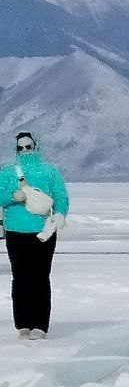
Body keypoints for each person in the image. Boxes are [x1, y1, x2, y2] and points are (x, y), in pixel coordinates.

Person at [0, 131, 69, 338]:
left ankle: (39, 324)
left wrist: (59, 214)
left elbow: (60, 195)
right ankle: (23, 323)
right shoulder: (7, 172)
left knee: (40, 277)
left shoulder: (50, 171)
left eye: (28, 146)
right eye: (20, 147)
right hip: (15, 232)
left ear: (35, 146)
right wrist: (12, 196)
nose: (24, 150)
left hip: (43, 231)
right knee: (20, 278)